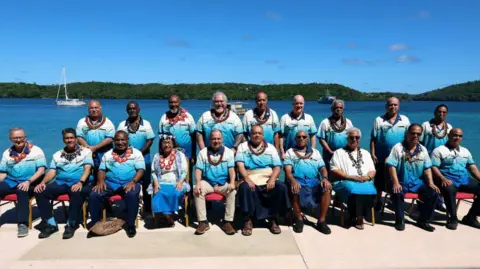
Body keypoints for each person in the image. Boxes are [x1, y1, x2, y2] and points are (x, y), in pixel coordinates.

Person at [34, 128, 93, 239]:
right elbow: (52, 171)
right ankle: (50, 224)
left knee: (76, 192)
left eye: (71, 138)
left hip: (80, 182)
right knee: (40, 191)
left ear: (76, 139)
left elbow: (87, 169)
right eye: (67, 138)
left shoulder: (86, 152)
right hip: (61, 182)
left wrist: (80, 182)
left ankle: (71, 224)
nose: (69, 140)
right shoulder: (57, 154)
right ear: (63, 140)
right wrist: (42, 182)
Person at [89, 131, 145, 238]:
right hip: (110, 183)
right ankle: (96, 224)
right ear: (114, 141)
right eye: (118, 140)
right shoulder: (107, 154)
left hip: (129, 182)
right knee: (94, 194)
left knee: (132, 195)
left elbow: (141, 170)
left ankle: (130, 225)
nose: (120, 142)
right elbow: (101, 170)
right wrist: (100, 181)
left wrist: (133, 182)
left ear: (127, 140)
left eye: (123, 140)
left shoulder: (136, 153)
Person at [236, 125, 290, 236]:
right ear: (250, 135)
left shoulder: (270, 148)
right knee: (244, 187)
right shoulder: (242, 147)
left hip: (267, 177)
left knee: (281, 187)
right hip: (250, 175)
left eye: (259, 133)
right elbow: (240, 165)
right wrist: (247, 179)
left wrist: (272, 179)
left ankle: (273, 219)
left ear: (263, 135)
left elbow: (277, 166)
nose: (257, 135)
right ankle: (248, 220)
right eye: (254, 133)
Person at [386, 124, 440, 232]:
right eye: (413, 133)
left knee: (433, 193)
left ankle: (423, 221)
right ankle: (400, 220)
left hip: (417, 182)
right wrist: (396, 183)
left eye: (418, 134)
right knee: (397, 193)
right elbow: (391, 165)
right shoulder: (398, 147)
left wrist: (430, 183)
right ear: (407, 133)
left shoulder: (423, 149)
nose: (415, 136)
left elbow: (427, 167)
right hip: (402, 181)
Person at [0, 128, 46, 237]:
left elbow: (41, 170)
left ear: (25, 138)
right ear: (11, 139)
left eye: (21, 137)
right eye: (15, 138)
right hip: (11, 181)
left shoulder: (36, 150)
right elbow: (3, 173)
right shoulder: (7, 153)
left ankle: (22, 223)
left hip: (31, 182)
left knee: (22, 191)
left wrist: (28, 181)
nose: (18, 140)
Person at [431, 128, 480, 230]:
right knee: (449, 189)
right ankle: (452, 218)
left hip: (464, 180)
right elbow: (434, 167)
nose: (457, 138)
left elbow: (472, 167)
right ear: (449, 136)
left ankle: (470, 217)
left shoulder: (465, 151)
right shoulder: (439, 150)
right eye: (455, 135)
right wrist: (442, 178)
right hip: (447, 179)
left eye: (460, 136)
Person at [284, 130, 332, 234]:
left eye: (304, 137)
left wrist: (325, 178)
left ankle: (321, 221)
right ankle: (299, 219)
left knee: (327, 188)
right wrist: (292, 181)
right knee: (294, 188)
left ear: (308, 139)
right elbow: (288, 171)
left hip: (314, 181)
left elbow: (322, 168)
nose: (301, 138)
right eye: (299, 137)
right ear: (295, 139)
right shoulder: (290, 152)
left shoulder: (315, 152)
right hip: (298, 180)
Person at [330, 128, 377, 230]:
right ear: (347, 138)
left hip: (364, 180)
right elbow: (334, 169)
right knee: (353, 190)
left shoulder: (365, 153)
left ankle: (359, 215)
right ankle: (356, 216)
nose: (354, 139)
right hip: (345, 180)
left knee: (371, 190)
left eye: (357, 137)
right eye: (352, 137)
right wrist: (349, 177)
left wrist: (367, 177)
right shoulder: (338, 153)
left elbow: (372, 170)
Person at [193, 130, 236, 235]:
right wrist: (198, 182)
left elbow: (231, 170)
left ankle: (227, 222)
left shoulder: (229, 152)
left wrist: (232, 182)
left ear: (222, 140)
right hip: (208, 182)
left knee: (232, 192)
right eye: (213, 139)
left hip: (222, 183)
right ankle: (203, 222)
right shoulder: (203, 153)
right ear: (209, 140)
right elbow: (198, 170)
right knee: (197, 190)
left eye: (218, 139)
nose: (216, 141)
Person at [370, 97, 410, 209]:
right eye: (390, 105)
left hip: (400, 158)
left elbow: (409, 138)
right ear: (386, 106)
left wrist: (408, 153)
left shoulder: (405, 120)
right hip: (381, 157)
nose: (393, 107)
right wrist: (372, 154)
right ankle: (378, 200)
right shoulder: (379, 120)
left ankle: (394, 200)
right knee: (379, 180)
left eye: (395, 104)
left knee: (396, 179)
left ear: (399, 106)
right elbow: (373, 138)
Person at [117, 101, 155, 215]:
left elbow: (150, 140)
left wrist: (140, 153)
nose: (132, 110)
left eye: (134, 108)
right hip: (128, 160)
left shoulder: (146, 124)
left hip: (145, 159)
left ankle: (147, 208)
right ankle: (128, 206)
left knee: (147, 184)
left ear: (138, 109)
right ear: (127, 111)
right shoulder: (122, 125)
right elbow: (119, 141)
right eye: (129, 109)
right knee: (128, 182)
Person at [149, 134, 190, 227]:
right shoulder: (157, 156)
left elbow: (184, 171)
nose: (167, 145)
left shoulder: (180, 155)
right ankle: (168, 216)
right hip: (161, 182)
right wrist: (155, 183)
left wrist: (180, 182)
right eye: (164, 143)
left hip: (176, 182)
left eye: (169, 143)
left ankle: (167, 215)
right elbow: (153, 172)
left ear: (173, 144)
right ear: (161, 145)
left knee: (176, 193)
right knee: (158, 193)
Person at [421, 104, 452, 212]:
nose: (441, 114)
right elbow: (420, 142)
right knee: (427, 181)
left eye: (444, 112)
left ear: (446, 114)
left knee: (441, 180)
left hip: (442, 159)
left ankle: (440, 202)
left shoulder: (449, 128)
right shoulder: (426, 125)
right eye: (439, 111)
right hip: (427, 158)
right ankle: (422, 203)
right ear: (434, 112)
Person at [158, 95, 196, 175]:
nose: (173, 104)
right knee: (171, 176)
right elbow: (160, 139)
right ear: (168, 104)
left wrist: (193, 155)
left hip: (186, 154)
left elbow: (194, 136)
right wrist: (160, 155)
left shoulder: (188, 117)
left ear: (180, 103)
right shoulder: (163, 118)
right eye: (171, 102)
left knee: (187, 177)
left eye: (175, 102)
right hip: (168, 155)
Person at [76, 100, 115, 176]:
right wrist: (88, 148)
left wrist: (95, 147)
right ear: (88, 109)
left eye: (96, 107)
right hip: (86, 153)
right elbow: (78, 137)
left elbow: (110, 138)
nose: (94, 110)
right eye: (91, 108)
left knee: (104, 175)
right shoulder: (82, 122)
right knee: (87, 174)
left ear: (100, 108)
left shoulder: (108, 122)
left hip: (104, 153)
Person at [279, 95, 317, 160]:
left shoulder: (309, 118)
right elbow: (280, 137)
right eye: (296, 103)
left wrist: (312, 151)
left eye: (301, 103)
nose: (299, 105)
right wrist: (282, 153)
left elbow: (313, 136)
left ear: (304, 104)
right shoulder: (284, 118)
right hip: (289, 154)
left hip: (306, 154)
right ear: (292, 104)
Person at [317, 100, 353, 166]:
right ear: (332, 109)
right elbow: (321, 139)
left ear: (343, 109)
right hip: (329, 156)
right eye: (336, 108)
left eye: (340, 108)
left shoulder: (348, 122)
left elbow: (352, 137)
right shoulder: (325, 122)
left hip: (345, 155)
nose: (338, 109)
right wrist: (330, 152)